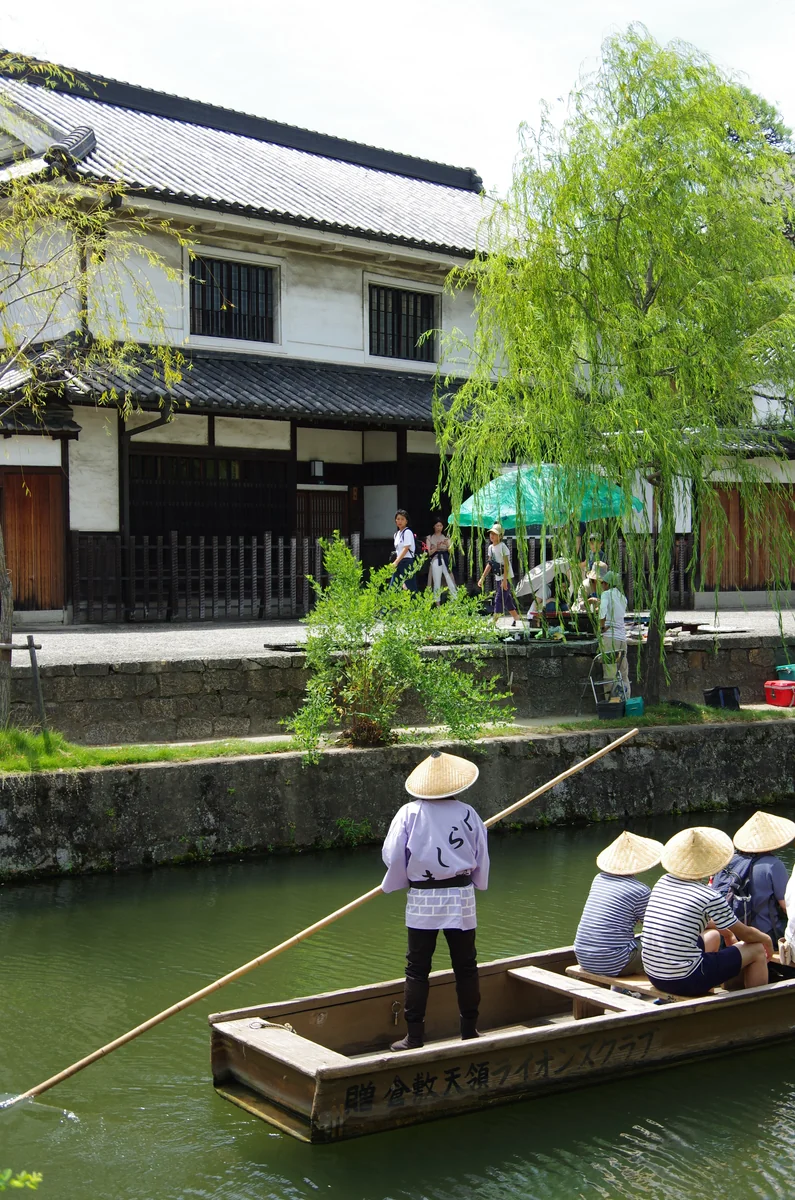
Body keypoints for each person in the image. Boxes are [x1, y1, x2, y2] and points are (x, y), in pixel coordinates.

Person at [381, 750, 489, 1050]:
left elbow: (392, 855)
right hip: (460, 897)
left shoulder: (409, 813)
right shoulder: (468, 813)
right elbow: (481, 854)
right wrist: (478, 881)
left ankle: (414, 1037)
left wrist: (401, 879)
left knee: (417, 968)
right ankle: (469, 1031)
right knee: (466, 966)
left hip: (423, 898)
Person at [641, 826, 773, 996]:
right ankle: (757, 1004)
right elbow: (746, 934)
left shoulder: (663, 881)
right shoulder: (709, 895)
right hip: (685, 979)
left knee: (712, 936)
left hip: (655, 975)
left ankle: (706, 990)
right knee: (757, 949)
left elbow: (689, 920)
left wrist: (726, 933)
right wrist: (766, 939)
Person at [574, 831, 664, 977]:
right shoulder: (640, 891)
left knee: (631, 940)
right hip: (613, 962)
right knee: (663, 948)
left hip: (583, 957)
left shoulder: (599, 879)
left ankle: (619, 987)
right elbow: (655, 927)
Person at [711, 811, 795, 940]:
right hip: (764, 933)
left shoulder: (728, 860)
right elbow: (786, 906)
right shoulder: (773, 865)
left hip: (730, 929)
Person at [594, 568, 630, 698]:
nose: (602, 585)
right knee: (623, 672)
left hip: (610, 637)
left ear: (607, 584)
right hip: (622, 638)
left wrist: (601, 627)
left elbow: (602, 611)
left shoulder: (606, 594)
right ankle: (626, 699)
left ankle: (611, 701)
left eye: (603, 583)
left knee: (610, 671)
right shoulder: (622, 597)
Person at [477, 523, 521, 625]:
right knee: (507, 599)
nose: (492, 536)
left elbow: (506, 564)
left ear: (500, 536)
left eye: (495, 534)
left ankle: (494, 622)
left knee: (499, 599)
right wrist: (482, 577)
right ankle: (516, 618)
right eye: (491, 533)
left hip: (506, 577)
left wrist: (505, 580)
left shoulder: (503, 547)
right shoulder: (490, 548)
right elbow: (490, 563)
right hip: (498, 576)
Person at [426, 518, 458, 604]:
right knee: (436, 582)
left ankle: (455, 601)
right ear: (434, 526)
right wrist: (436, 547)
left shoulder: (446, 537)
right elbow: (428, 553)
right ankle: (437, 604)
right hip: (436, 558)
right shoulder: (429, 537)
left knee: (450, 579)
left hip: (445, 559)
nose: (439, 527)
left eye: (440, 526)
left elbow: (451, 551)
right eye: (437, 526)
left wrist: (447, 545)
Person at [390, 509, 418, 592]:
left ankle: (415, 601)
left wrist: (396, 562)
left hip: (407, 562)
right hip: (399, 562)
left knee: (411, 588)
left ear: (406, 521)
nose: (400, 521)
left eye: (402, 519)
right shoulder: (396, 534)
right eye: (398, 519)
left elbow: (406, 548)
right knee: (393, 587)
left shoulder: (407, 532)